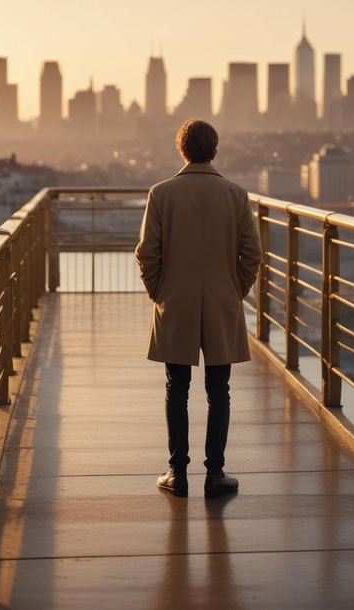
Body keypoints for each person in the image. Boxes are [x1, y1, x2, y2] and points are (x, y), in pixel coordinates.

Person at [134, 119, 262, 497]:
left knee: (177, 387)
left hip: (176, 301)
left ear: (182, 150)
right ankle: (216, 472)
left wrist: (159, 292)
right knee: (219, 390)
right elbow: (252, 253)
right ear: (215, 150)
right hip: (222, 300)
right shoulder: (237, 195)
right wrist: (234, 290)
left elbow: (147, 253)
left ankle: (177, 472)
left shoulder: (161, 193)